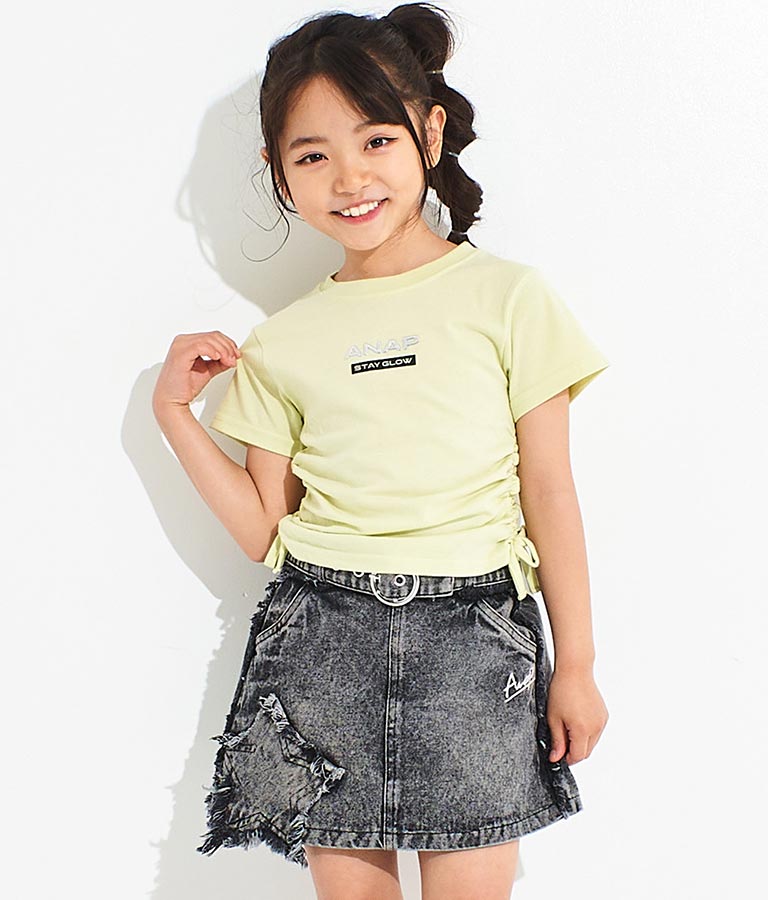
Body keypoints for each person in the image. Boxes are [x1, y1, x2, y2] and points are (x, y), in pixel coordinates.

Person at [152, 4, 611, 897]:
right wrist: (175, 414)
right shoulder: (283, 342)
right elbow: (263, 530)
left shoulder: (509, 298)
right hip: (323, 637)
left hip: (476, 646)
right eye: (312, 156)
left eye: (376, 141)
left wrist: (580, 666)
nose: (350, 177)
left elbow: (550, 491)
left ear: (429, 134)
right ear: (278, 171)